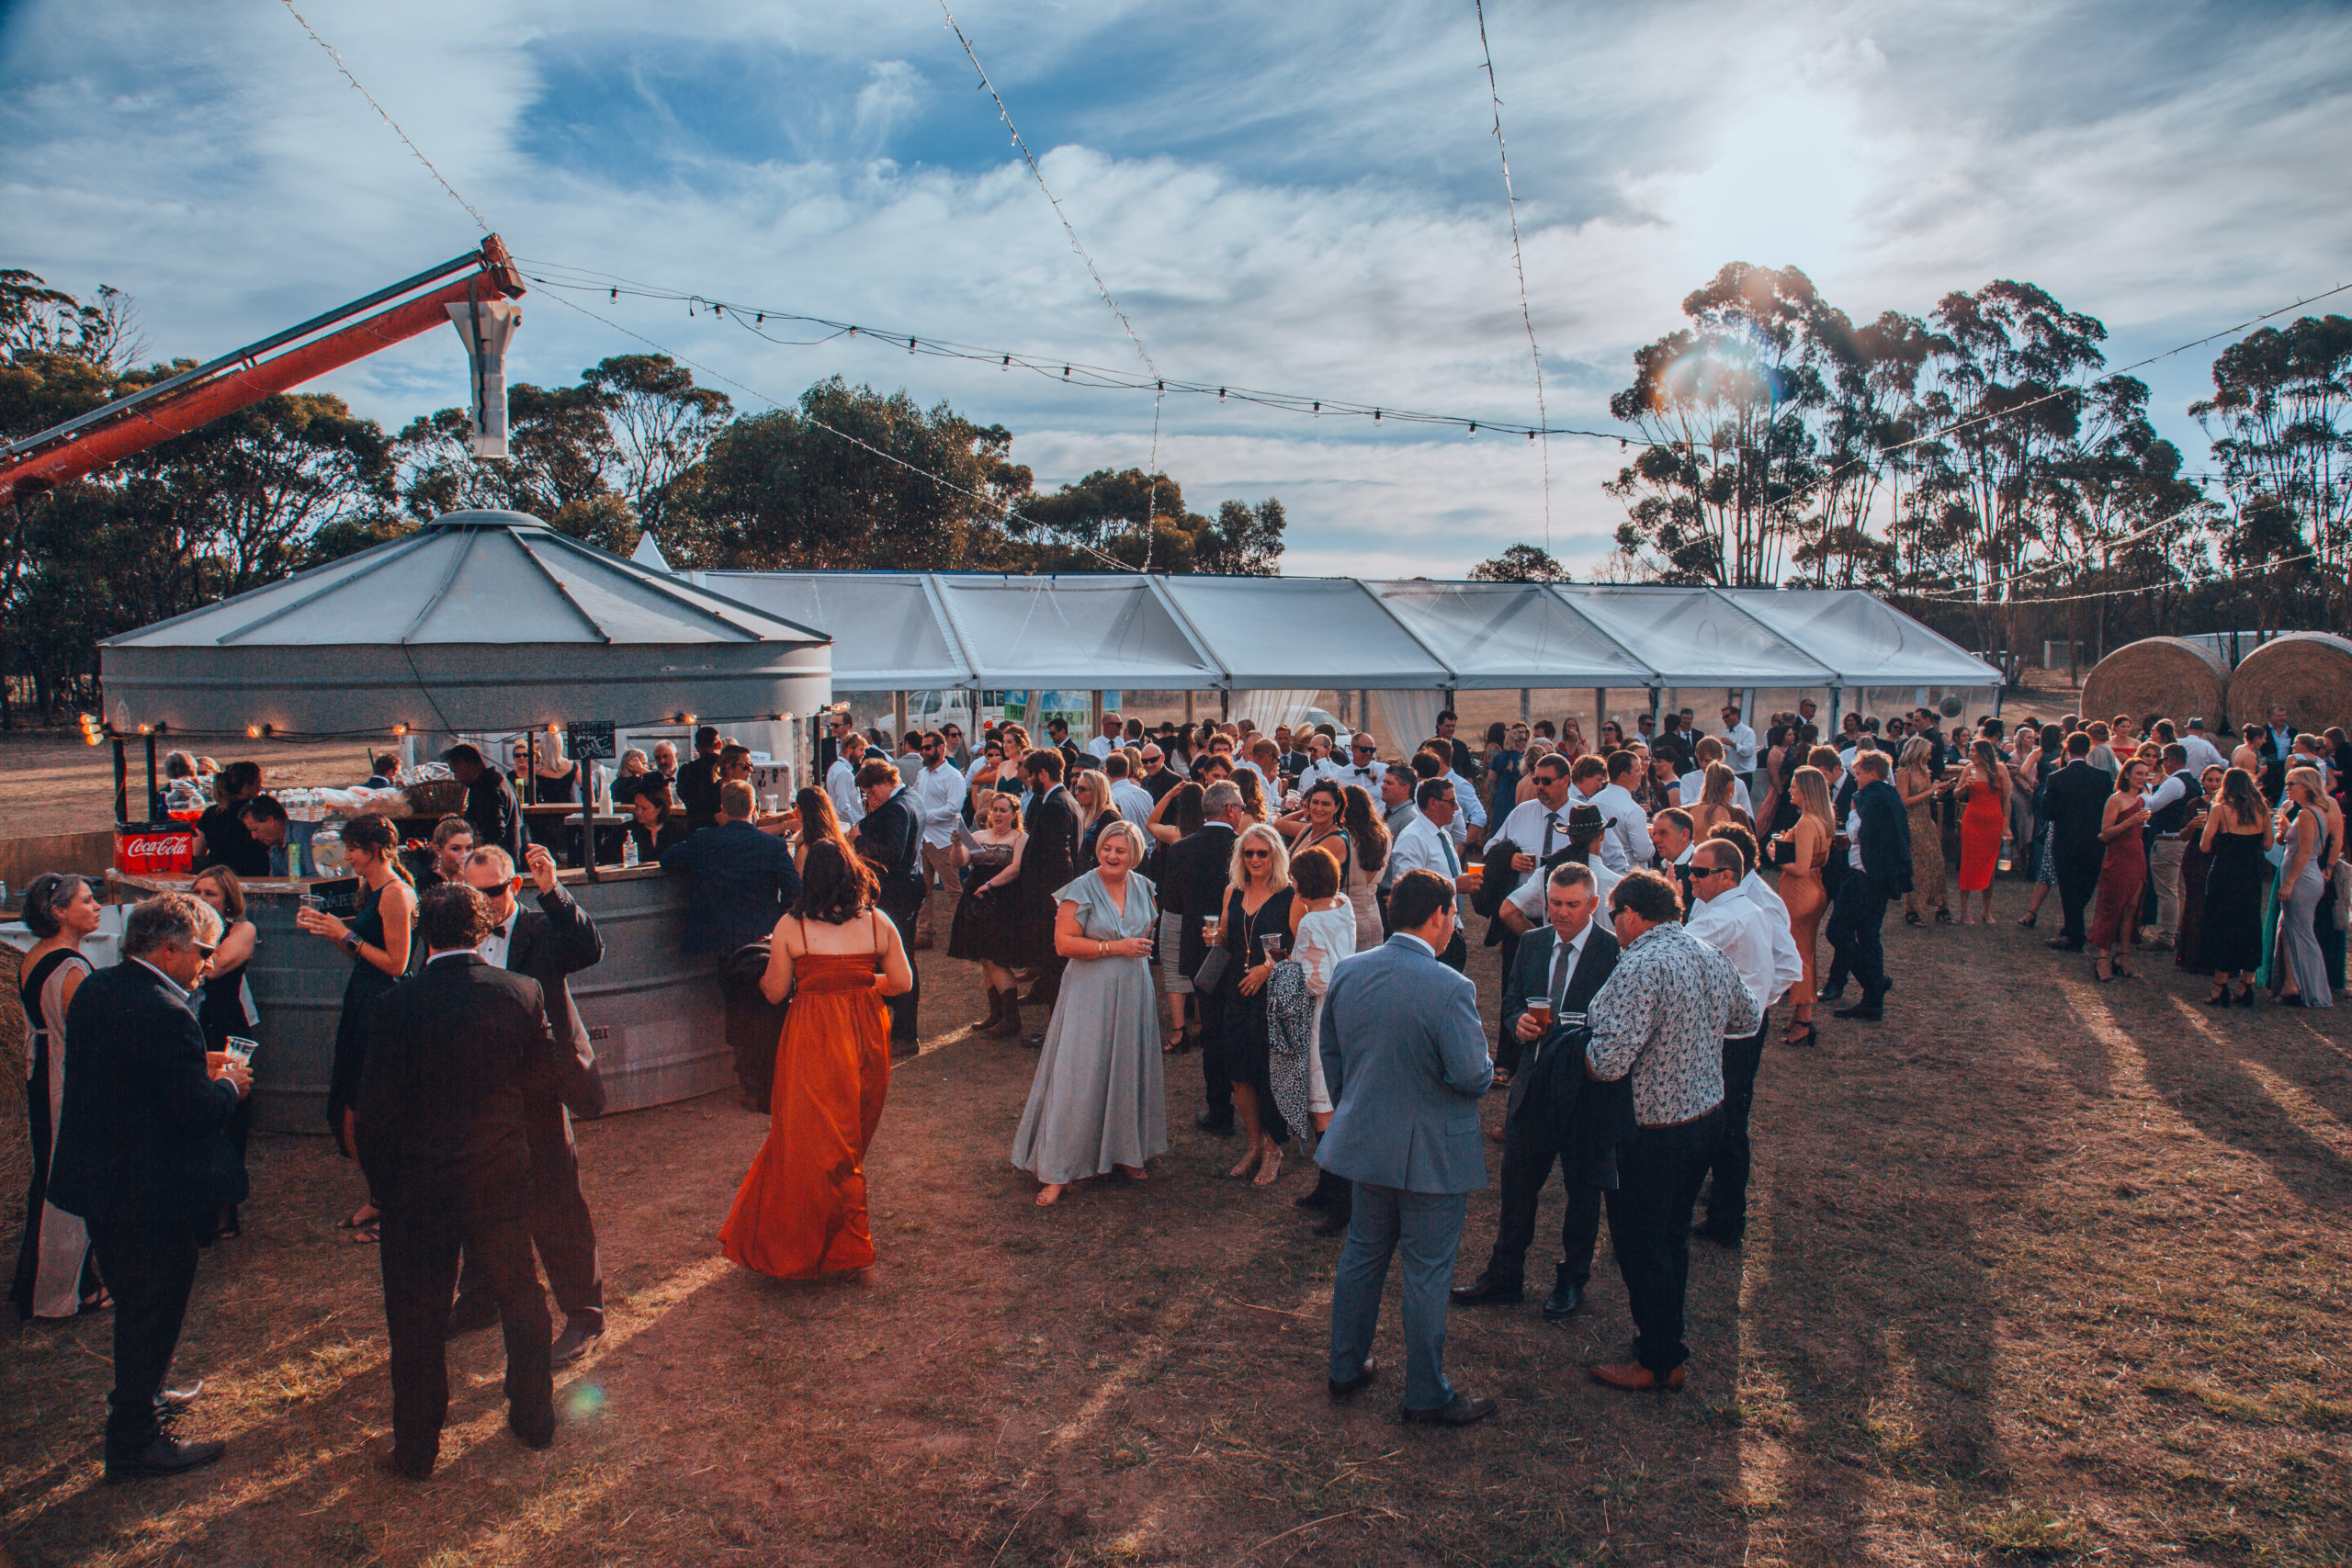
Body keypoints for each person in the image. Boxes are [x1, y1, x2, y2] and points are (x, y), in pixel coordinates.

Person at [354, 884, 558, 1479]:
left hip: (419, 1188)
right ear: (481, 932)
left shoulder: (398, 1004)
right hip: (497, 1176)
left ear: (425, 934)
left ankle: (416, 1448)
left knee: (416, 1319)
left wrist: (384, 1188)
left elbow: (374, 1112)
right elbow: (544, 1085)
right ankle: (534, 1414)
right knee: (523, 1298)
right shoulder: (520, 992)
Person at [47, 892, 250, 1478]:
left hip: (102, 1182)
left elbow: (131, 1076)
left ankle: (144, 1399)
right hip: (148, 1192)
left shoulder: (99, 989)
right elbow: (191, 1112)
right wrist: (231, 1087)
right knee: (152, 1311)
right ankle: (135, 1437)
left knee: (138, 1303)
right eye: (203, 952)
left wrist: (194, 1064)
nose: (207, 963)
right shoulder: (166, 1009)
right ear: (170, 947)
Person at [1317, 868, 1496, 1425]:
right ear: (1441, 914)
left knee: (1362, 1255)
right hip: (1432, 1155)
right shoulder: (1450, 987)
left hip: (1367, 1141)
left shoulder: (1350, 971)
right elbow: (1471, 1076)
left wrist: (1358, 1107)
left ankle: (1345, 1367)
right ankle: (1426, 1394)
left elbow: (1333, 1054)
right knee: (1426, 1270)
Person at [1583, 869, 1758, 1392]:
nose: (1613, 926)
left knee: (1641, 1244)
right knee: (1673, 1237)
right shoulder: (1707, 953)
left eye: (1613, 915)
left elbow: (1610, 1061)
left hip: (1653, 1130)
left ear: (1632, 914)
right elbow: (1746, 1016)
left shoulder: (1640, 965)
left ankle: (1658, 1357)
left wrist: (1576, 1059)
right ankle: (1665, 1344)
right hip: (1705, 1119)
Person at [446, 844, 608, 1365]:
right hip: (483, 1091)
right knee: (479, 1198)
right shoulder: (458, 933)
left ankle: (584, 1315)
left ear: (512, 886)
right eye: (476, 894)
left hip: (538, 1088)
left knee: (556, 1203)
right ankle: (480, 1300)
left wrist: (553, 890)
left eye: (494, 892)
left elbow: (588, 949)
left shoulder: (541, 929)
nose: (486, 904)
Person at [721, 840, 913, 1277]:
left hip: (812, 1032)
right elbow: (902, 982)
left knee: (807, 1136)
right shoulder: (878, 922)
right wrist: (859, 982)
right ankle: (840, 1243)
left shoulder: (791, 926)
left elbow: (773, 991)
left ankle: (805, 1240)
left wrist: (813, 976)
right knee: (850, 1136)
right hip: (866, 1032)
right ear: (853, 873)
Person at [1451, 863, 1620, 1317]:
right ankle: (1504, 1276)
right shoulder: (1532, 942)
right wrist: (1517, 1022)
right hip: (1533, 1087)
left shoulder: (1613, 953)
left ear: (1593, 905)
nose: (1561, 913)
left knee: (1582, 1195)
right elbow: (1511, 1000)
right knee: (1517, 1189)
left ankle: (1571, 1282)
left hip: (1586, 1096)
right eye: (1554, 903)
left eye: (1571, 905)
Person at [1010, 821, 1167, 1204]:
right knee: (1079, 1074)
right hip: (1090, 992)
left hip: (1133, 989)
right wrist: (1115, 948)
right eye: (1107, 848)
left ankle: (1126, 1152)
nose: (1112, 856)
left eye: (1121, 850)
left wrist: (1131, 950)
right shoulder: (1080, 889)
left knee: (1128, 1067)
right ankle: (1059, 1168)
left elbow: (1146, 933)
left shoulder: (1145, 887)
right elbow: (1063, 944)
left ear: (1134, 854)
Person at [302, 813, 416, 1242]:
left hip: (383, 1008)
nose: (346, 857)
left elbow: (397, 965)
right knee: (350, 1099)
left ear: (373, 851)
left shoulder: (396, 894)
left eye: (352, 848)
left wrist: (345, 934)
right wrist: (329, 931)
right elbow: (362, 953)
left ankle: (393, 1201)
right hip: (362, 1000)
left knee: (372, 1105)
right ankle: (379, 1196)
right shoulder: (370, 888)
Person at [1682, 837, 1788, 1248]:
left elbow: (1671, 952)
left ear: (1728, 876)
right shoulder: (1745, 908)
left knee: (1721, 1126)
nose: (1691, 878)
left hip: (1730, 1037)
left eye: (1700, 872)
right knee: (1732, 1124)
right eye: (1691, 869)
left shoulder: (1722, 919)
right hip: (1747, 1027)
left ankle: (1725, 1219)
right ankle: (1727, 1215)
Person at [11, 874, 105, 1320]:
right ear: (59, 913)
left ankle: (45, 1283)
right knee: (66, 1178)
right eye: (87, 901)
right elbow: (87, 1038)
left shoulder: (34, 956)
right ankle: (62, 1292)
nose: (97, 907)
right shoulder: (71, 968)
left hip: (41, 1072)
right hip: (61, 1079)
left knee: (51, 1175)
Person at [1278, 847, 1361, 1234]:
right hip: (1346, 1016)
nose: (1292, 885)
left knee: (1324, 1108)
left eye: (1295, 878)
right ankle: (1327, 1189)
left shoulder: (1311, 924)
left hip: (1321, 1019)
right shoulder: (1343, 907)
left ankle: (1342, 1200)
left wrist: (1285, 968)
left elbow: (1317, 981)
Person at [1216, 824, 1298, 1186]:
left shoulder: (1290, 895)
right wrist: (1214, 937)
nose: (1254, 859)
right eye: (1248, 853)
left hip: (1272, 994)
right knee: (1238, 1072)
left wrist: (1267, 969)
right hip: (1236, 989)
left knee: (1269, 1073)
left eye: (1261, 853)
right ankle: (1252, 1143)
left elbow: (1299, 946)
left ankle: (1272, 1148)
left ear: (1275, 855)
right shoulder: (1233, 891)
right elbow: (1225, 935)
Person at [189, 867, 259, 1239]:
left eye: (211, 894)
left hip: (229, 1029)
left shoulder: (241, 930)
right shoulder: (185, 933)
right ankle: (199, 1207)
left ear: (228, 900)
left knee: (231, 1115)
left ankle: (226, 1208)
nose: (201, 898)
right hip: (195, 1029)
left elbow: (211, 969)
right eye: (196, 891)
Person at [1820, 753, 1910, 1022]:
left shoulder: (1868, 798)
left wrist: (1850, 819)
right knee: (1868, 937)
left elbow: (1858, 832)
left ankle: (1874, 983)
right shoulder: (1890, 795)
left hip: (1866, 877)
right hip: (1879, 876)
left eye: (1858, 774)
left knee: (1839, 932)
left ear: (1872, 773)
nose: (1855, 779)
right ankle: (1873, 993)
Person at [952, 791, 1030, 1035]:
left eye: (1003, 810)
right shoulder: (977, 835)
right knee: (984, 958)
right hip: (975, 901)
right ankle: (995, 1014)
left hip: (1003, 900)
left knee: (997, 958)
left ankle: (1011, 1019)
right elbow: (960, 862)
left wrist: (990, 885)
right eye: (994, 809)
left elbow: (1016, 868)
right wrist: (956, 844)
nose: (997, 814)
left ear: (1014, 814)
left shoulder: (1020, 837)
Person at [1012, 750, 1080, 1026]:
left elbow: (1059, 857)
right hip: (1059, 897)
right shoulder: (1067, 800)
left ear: (1042, 774)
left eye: (1030, 776)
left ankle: (1056, 1030)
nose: (1028, 782)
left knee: (1054, 966)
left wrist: (1055, 901)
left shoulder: (1054, 804)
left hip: (1053, 901)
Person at [2198, 767, 2274, 1005]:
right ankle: (2245, 984)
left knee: (2223, 926)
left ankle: (2219, 987)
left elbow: (2204, 846)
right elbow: (2269, 845)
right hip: (2250, 875)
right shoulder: (2262, 810)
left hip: (2225, 873)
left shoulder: (2220, 809)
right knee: (2249, 924)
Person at [1770, 767, 1835, 1048]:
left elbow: (1800, 867)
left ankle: (1805, 1018)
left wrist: (1776, 855)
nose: (1790, 790)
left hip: (1801, 892)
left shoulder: (1807, 823)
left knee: (1799, 956)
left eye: (1795, 786)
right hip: (1812, 888)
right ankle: (1799, 1015)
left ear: (1807, 790)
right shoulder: (1821, 820)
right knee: (1803, 952)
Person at [1386, 779, 1475, 967]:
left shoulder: (1443, 834)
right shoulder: (1413, 838)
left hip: (1450, 930)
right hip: (1428, 936)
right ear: (1433, 803)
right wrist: (1455, 885)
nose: (1457, 807)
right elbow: (1408, 890)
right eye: (1451, 802)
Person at [2041, 732, 2111, 952]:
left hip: (2066, 840)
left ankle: (2074, 933)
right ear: (2088, 749)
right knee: (2085, 885)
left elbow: (2047, 812)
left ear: (2067, 749)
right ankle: (2072, 930)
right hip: (2094, 840)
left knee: (2068, 887)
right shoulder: (2103, 777)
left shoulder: (2057, 778)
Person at [2272, 767, 2335, 1009]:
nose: (2288, 787)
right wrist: (2287, 831)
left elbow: (2308, 851)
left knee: (2300, 932)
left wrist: (2289, 882)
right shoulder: (2314, 812)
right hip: (2305, 877)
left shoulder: (2309, 814)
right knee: (2289, 929)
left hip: (2301, 879)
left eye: (2292, 783)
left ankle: (2310, 988)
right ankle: (2292, 983)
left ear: (2307, 785)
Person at [1893, 738, 1952, 928]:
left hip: (1927, 822)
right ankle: (1911, 909)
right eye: (1927, 752)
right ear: (1918, 752)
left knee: (1936, 863)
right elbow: (1903, 802)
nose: (1930, 755)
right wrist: (1930, 792)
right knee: (1916, 867)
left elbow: (1927, 799)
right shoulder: (1904, 773)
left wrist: (1939, 793)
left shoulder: (1925, 772)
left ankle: (1941, 905)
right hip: (1911, 824)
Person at [1954, 739, 2010, 925]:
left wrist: (2006, 825)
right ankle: (1964, 911)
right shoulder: (1969, 769)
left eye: (1974, 751)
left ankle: (1986, 911)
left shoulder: (2000, 770)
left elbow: (2006, 800)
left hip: (1993, 820)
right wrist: (1964, 787)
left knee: (1989, 865)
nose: (1971, 754)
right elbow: (1956, 794)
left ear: (1984, 752)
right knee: (1968, 863)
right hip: (1973, 820)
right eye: (1970, 751)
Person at [443, 744, 521, 862]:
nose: (456, 778)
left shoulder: (487, 787)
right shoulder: (499, 781)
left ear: (465, 764)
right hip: (508, 857)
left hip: (496, 862)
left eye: (456, 771)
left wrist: (477, 849)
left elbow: (495, 831)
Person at [191, 761, 266, 875]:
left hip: (220, 876)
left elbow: (197, 851)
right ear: (246, 787)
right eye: (257, 783)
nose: (260, 787)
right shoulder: (258, 811)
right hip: (257, 874)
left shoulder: (212, 813)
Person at [673, 726, 726, 835]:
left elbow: (682, 795)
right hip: (722, 830)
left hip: (695, 829)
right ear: (720, 745)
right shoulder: (728, 769)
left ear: (698, 747)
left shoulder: (686, 771)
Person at [626, 781, 687, 861]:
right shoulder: (626, 830)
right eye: (636, 806)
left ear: (659, 809)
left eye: (644, 808)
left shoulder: (677, 831)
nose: (638, 812)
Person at [825, 728, 869, 829]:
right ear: (849, 748)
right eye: (861, 749)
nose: (864, 754)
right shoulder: (844, 772)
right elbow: (843, 806)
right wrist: (854, 827)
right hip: (850, 826)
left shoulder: (836, 767)